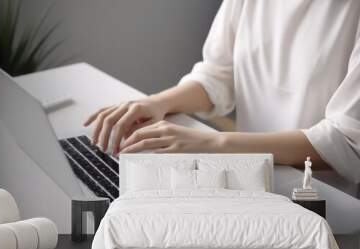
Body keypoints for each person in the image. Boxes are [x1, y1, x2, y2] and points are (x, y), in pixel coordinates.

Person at [84, 0, 360, 183]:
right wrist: (157, 103)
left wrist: (215, 144)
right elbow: (219, 75)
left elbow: (347, 143)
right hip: (245, 176)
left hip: (318, 198)